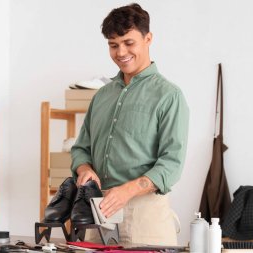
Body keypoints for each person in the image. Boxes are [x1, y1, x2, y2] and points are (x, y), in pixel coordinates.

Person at [71, 3, 189, 245]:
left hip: (146, 219)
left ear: (148, 38)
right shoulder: (102, 95)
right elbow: (81, 148)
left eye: (129, 42)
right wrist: (84, 169)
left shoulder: (169, 96)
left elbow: (171, 164)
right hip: (100, 214)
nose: (121, 52)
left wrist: (128, 190)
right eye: (113, 45)